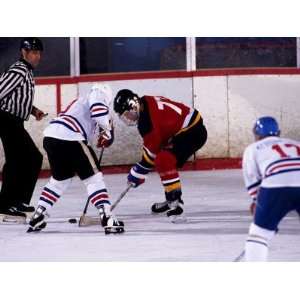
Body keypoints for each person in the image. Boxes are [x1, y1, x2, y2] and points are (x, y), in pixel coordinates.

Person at [27, 83, 124, 234]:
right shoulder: (98, 94)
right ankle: (107, 217)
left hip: (51, 137)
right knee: (94, 178)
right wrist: (108, 130)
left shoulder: (81, 102)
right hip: (70, 137)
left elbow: (92, 128)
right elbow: (99, 113)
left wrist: (103, 133)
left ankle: (39, 214)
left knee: (60, 180)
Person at [113, 89, 207, 222]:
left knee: (163, 160)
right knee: (163, 157)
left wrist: (137, 172)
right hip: (187, 128)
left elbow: (150, 157)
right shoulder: (145, 100)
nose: (127, 119)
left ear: (134, 106)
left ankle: (176, 205)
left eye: (127, 114)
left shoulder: (147, 123)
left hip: (192, 132)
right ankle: (170, 199)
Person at [0, 37, 46, 223]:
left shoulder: (26, 71)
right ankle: (5, 205)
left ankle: (17, 201)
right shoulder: (19, 70)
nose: (37, 56)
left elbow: (18, 97)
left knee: (28, 158)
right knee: (20, 160)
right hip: (6, 119)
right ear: (24, 52)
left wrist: (33, 110)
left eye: (39, 53)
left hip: (14, 120)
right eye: (33, 52)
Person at [242, 116, 300, 261]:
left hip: (276, 186)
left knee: (259, 234)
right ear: (278, 132)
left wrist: (258, 204)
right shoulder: (296, 144)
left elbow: (252, 180)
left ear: (256, 134)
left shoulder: (253, 148)